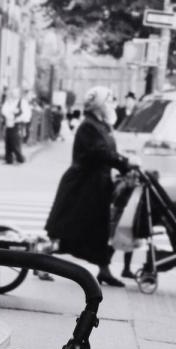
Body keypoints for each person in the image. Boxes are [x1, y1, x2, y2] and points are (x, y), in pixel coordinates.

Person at [45, 86, 138, 287]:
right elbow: (100, 152)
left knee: (95, 228)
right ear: (100, 105)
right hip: (82, 186)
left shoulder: (100, 125)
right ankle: (41, 256)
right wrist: (124, 163)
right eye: (110, 100)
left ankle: (104, 269)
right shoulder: (89, 126)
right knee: (75, 228)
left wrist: (122, 162)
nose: (113, 104)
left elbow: (106, 152)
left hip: (95, 185)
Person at [0, 88, 25, 165]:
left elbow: (26, 113)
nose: (14, 95)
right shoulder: (8, 101)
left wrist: (18, 118)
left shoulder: (22, 102)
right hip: (8, 123)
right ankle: (8, 159)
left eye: (16, 93)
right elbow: (4, 110)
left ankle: (20, 158)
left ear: (19, 94)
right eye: (13, 93)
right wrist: (8, 114)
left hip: (16, 124)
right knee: (8, 142)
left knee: (15, 142)